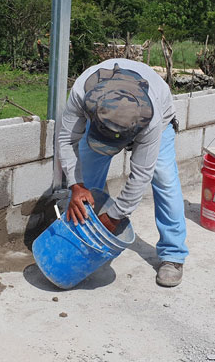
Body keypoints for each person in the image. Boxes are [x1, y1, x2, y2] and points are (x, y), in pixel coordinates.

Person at [57, 58, 188, 287]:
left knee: (164, 178)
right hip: (102, 120)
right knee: (86, 180)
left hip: (157, 115)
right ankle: (76, 240)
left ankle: (173, 255)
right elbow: (67, 140)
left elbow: (141, 174)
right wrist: (76, 185)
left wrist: (115, 215)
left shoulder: (152, 120)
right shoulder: (82, 92)